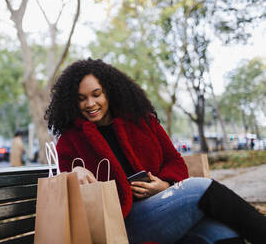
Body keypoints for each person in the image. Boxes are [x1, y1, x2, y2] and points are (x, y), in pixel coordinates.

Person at [45, 58, 266, 244]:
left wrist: (165, 184)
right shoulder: (70, 141)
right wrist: (74, 174)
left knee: (221, 233)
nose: (90, 103)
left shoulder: (142, 121)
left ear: (108, 93)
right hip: (119, 225)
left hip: (164, 207)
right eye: (81, 98)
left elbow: (174, 160)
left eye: (96, 94)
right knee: (198, 187)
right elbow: (67, 194)